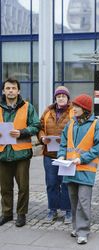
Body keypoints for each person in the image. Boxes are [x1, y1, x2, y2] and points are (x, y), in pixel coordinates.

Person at [57, 94, 99, 244]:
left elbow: (98, 148)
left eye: (77, 106)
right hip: (70, 169)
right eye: (74, 106)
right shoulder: (70, 124)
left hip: (86, 170)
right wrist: (60, 156)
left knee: (83, 201)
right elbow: (64, 143)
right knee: (73, 201)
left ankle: (83, 231)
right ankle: (76, 227)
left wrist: (82, 158)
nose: (74, 108)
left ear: (84, 109)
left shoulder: (97, 125)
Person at [0, 78, 40, 227]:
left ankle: (21, 214)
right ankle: (7, 213)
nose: (10, 90)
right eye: (8, 88)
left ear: (18, 91)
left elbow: (36, 125)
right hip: (3, 153)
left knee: (23, 187)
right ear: (3, 91)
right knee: (5, 188)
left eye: (13, 88)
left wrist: (22, 132)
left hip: (21, 154)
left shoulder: (27, 107)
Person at [38, 86, 73, 223]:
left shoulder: (73, 112)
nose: (61, 98)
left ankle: (68, 211)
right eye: (58, 96)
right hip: (49, 154)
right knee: (51, 183)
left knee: (66, 183)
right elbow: (40, 128)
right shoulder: (48, 111)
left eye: (63, 96)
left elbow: (77, 130)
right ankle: (52, 209)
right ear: (55, 98)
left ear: (68, 98)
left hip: (67, 155)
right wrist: (42, 138)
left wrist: (65, 139)